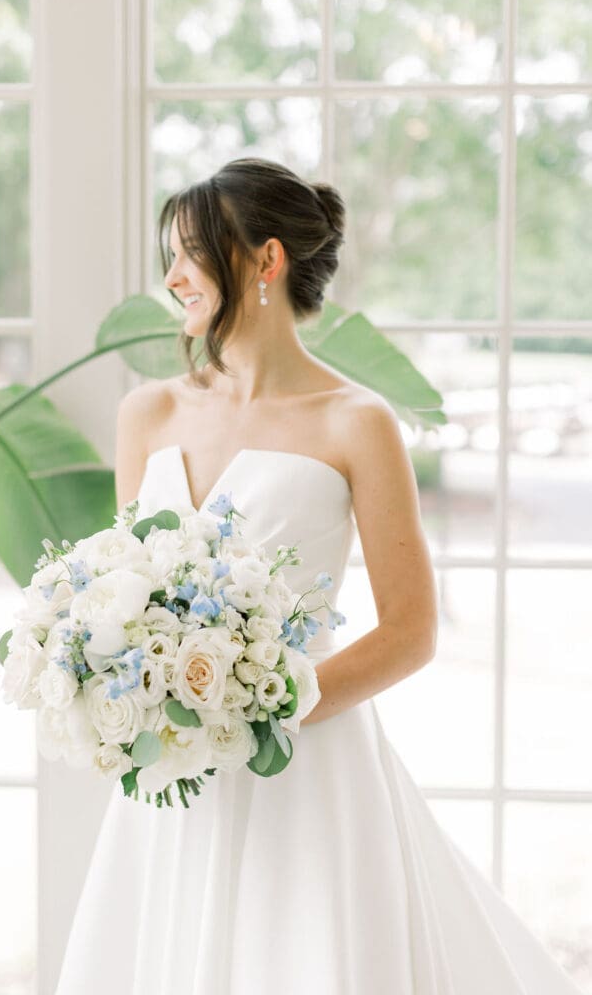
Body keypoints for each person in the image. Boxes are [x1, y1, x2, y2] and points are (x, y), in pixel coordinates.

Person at [54, 157, 584, 993]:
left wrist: (261, 710)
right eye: (172, 255)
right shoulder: (146, 413)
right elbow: (129, 590)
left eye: (194, 253)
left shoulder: (356, 423)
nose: (172, 276)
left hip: (308, 774)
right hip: (172, 779)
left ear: (266, 262)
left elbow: (410, 633)